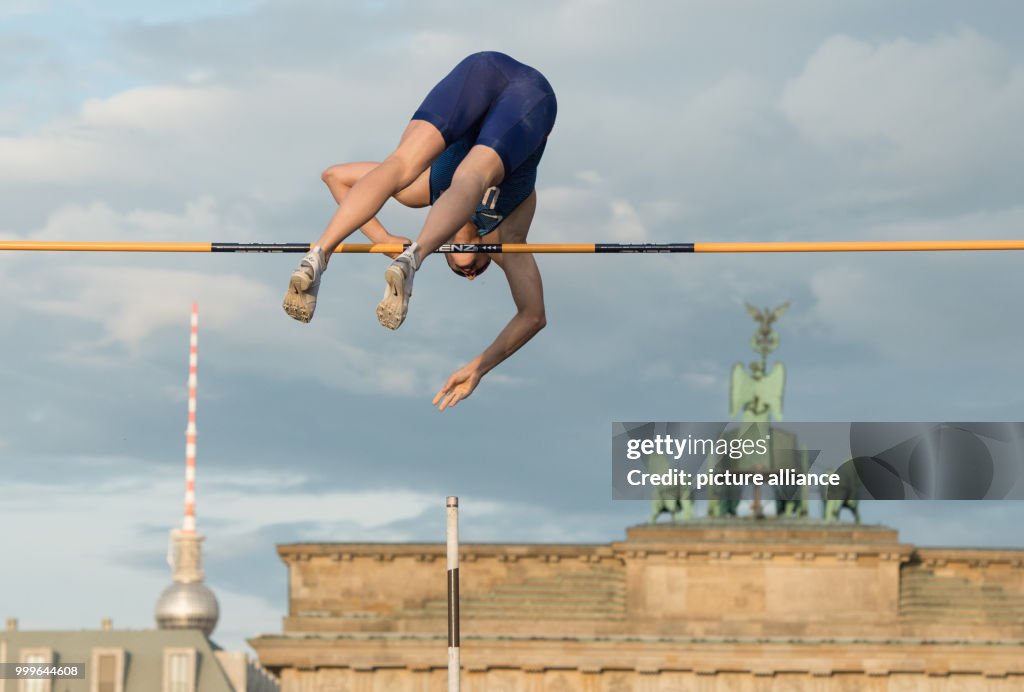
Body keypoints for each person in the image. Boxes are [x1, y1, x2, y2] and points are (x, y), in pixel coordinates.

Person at [282, 51, 556, 411]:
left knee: (414, 168)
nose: (468, 269)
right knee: (460, 176)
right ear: (487, 260)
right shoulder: (505, 237)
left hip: (482, 70)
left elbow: (336, 176)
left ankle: (321, 255)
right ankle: (400, 258)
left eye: (459, 267)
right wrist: (478, 369)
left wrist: (381, 239)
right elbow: (533, 315)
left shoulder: (428, 191)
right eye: (474, 268)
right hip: (529, 95)